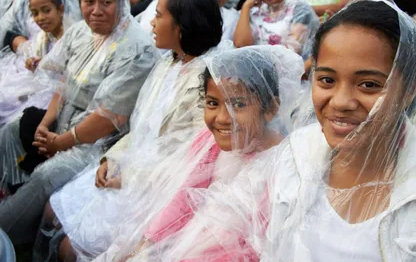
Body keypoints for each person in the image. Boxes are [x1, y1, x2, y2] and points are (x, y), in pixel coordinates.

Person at [264, 0, 416, 261]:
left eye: (369, 85)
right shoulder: (297, 155)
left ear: (411, 88)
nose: (340, 102)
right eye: (327, 80)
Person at [42, 0, 224, 261]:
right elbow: (142, 127)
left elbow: (189, 161)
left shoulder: (206, 81)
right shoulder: (169, 63)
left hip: (158, 187)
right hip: (132, 166)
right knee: (54, 212)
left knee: (69, 248)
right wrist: (111, 159)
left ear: (182, 26)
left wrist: (129, 177)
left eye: (160, 15)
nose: (151, 21)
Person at [0, 0, 159, 246]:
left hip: (97, 144)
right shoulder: (82, 33)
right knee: (13, 130)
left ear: (121, 1)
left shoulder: (137, 49)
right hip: (62, 128)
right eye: (89, 1)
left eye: (106, 2)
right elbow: (65, 85)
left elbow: (107, 119)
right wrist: (45, 124)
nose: (96, 10)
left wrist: (60, 142)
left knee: (47, 176)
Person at [93, 45, 305, 261]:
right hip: (183, 243)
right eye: (213, 103)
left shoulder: (281, 164)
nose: (222, 117)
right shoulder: (209, 142)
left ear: (270, 108)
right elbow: (184, 195)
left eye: (238, 104)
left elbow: (257, 245)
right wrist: (148, 244)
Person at [0, 0, 73, 156]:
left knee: (15, 122)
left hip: (60, 91)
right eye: (35, 13)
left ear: (60, 9)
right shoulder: (43, 36)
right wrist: (33, 62)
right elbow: (37, 58)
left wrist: (47, 64)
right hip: (42, 85)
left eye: (46, 11)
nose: (41, 18)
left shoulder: (70, 34)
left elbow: (66, 69)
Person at [234, 0, 319, 58]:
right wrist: (245, 7)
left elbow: (294, 53)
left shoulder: (300, 10)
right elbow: (241, 45)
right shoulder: (254, 13)